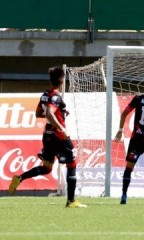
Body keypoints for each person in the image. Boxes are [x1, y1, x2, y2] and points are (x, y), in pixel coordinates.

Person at [8, 66, 86, 208]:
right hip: (59, 137)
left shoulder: (45, 95)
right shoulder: (56, 96)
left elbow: (39, 113)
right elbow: (49, 113)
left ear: (51, 80)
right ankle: (71, 201)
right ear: (62, 81)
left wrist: (60, 113)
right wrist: (62, 127)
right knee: (72, 164)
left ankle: (19, 178)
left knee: (47, 168)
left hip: (47, 136)